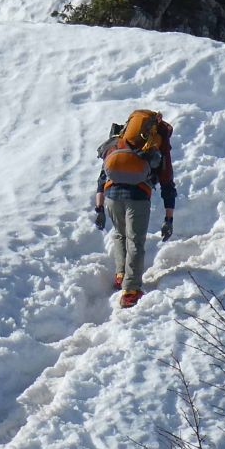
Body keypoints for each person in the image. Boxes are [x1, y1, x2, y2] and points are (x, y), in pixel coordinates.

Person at [94, 110, 176, 308]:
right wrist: (168, 218)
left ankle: (121, 274)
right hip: (138, 196)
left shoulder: (117, 142)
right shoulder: (156, 147)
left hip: (112, 196)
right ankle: (130, 291)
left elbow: (102, 178)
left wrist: (99, 208)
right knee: (136, 241)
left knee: (120, 235)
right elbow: (167, 184)